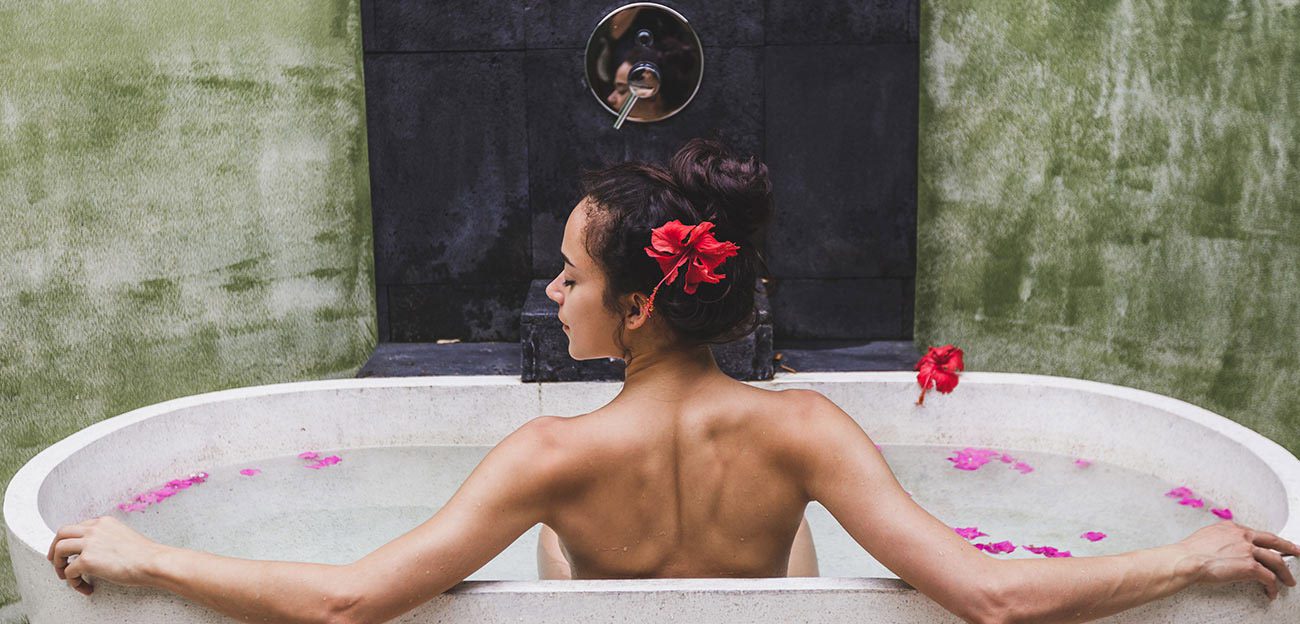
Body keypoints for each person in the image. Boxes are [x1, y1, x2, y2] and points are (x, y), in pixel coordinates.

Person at [48, 138, 1298, 624]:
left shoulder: (546, 458)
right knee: (794, 541)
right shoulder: (805, 429)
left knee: (552, 555)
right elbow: (990, 597)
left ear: (639, 303)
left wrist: (147, 555)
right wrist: (1188, 556)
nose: (551, 294)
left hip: (599, 552)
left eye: (569, 279)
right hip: (757, 561)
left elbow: (341, 604)